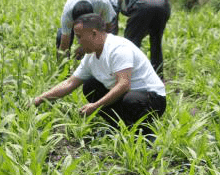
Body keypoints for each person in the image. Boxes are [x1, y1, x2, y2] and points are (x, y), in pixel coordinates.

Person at [33, 12, 166, 129]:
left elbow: (124, 84)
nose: (78, 42)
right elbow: (70, 83)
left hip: (152, 99)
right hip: (128, 97)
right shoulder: (90, 56)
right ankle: (119, 127)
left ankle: (145, 133)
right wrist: (39, 99)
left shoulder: (117, 48)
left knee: (131, 100)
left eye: (79, 37)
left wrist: (95, 106)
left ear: (94, 33)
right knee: (90, 86)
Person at [114, 0, 171, 76]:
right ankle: (159, 76)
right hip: (163, 4)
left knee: (130, 44)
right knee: (156, 42)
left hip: (142, 3)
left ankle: (130, 76)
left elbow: (114, 20)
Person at [55, 0, 119, 57]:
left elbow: (108, 30)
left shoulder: (102, 3)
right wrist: (62, 65)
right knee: (62, 35)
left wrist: (85, 48)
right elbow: (64, 45)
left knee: (107, 43)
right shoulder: (67, 14)